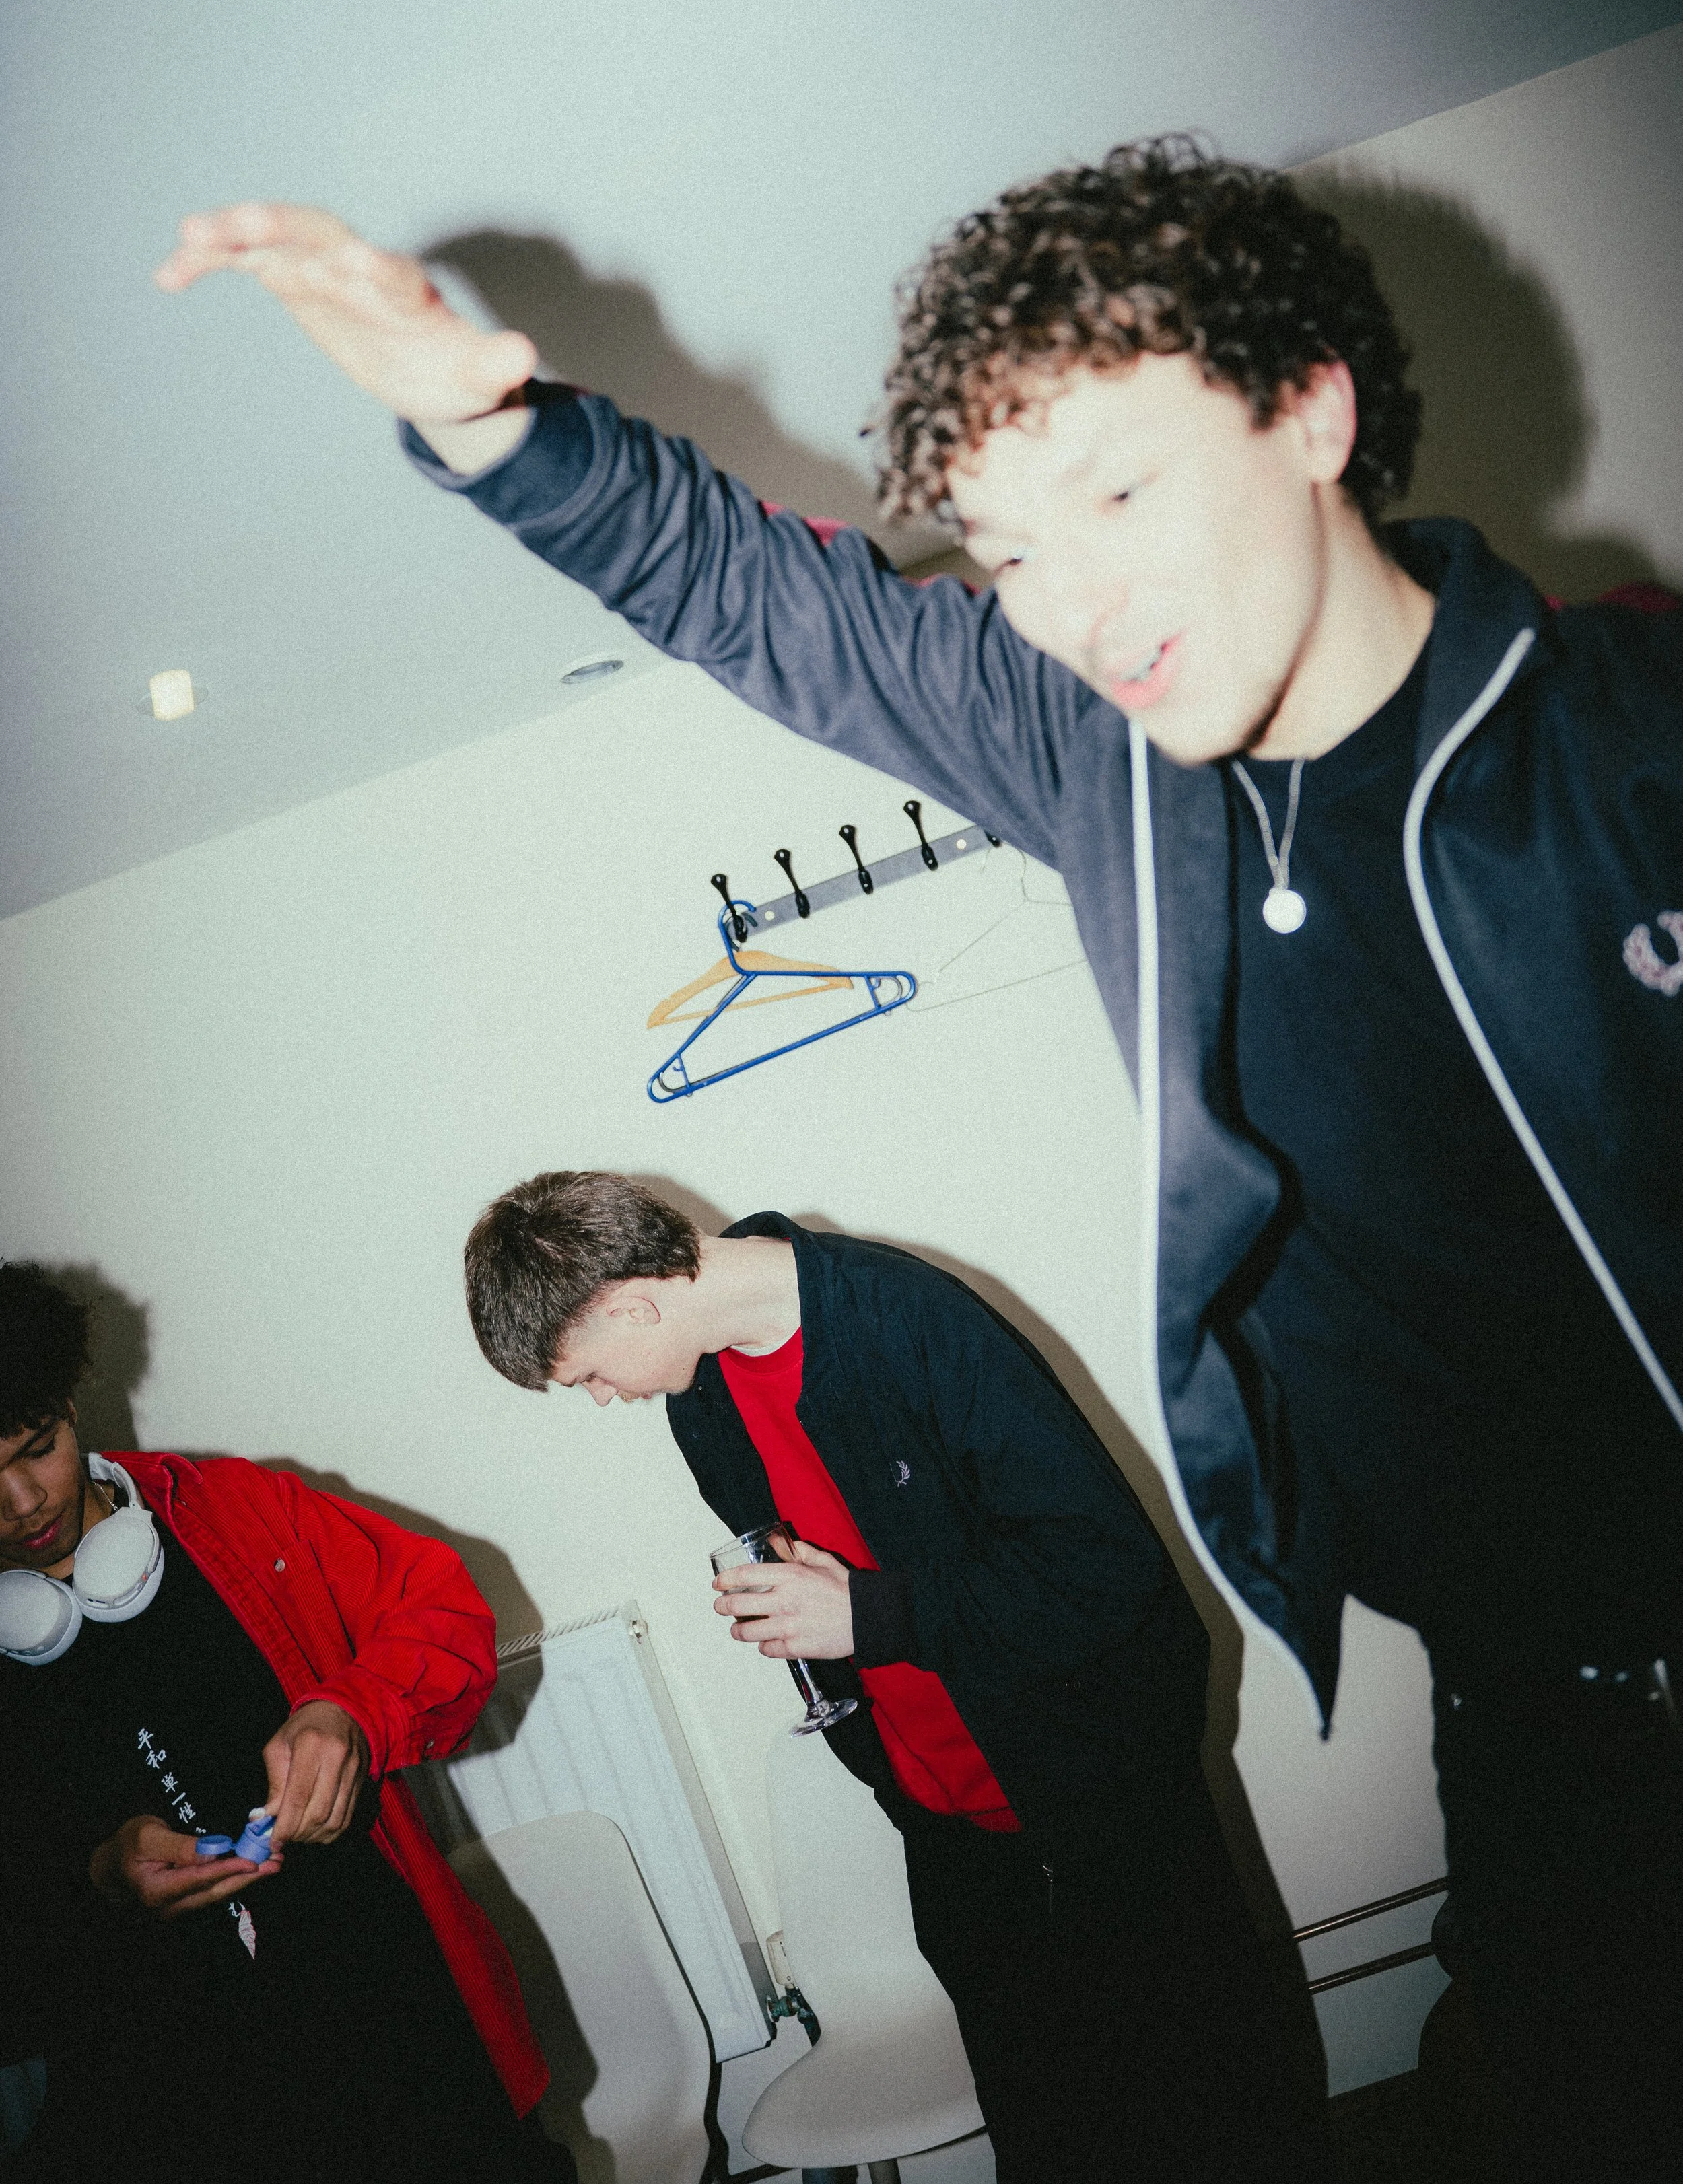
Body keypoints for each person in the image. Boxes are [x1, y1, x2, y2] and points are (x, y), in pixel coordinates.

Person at [157, 145, 1683, 2177]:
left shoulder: (1633, 727)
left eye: (1115, 494)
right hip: (1537, 1713)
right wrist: (492, 428)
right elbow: (762, 595)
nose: (1074, 607)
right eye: (1007, 547)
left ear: (1310, 410)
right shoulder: (1108, 772)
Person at [463, 1168, 1321, 2182]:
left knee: (1224, 2123)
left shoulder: (912, 1319)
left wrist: (867, 1613)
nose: (606, 1398)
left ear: (633, 1304)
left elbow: (1109, 1573)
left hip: (1105, 1802)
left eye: (589, 1375)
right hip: (950, 1836)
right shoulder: (704, 1403)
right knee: (1053, 2143)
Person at [0, 1261, 574, 2184]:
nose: (23, 1501)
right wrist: (100, 1877)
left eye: (37, 1448)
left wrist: (353, 1710)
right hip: (176, 2104)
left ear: (71, 1407)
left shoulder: (228, 1509)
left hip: (401, 2031)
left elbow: (444, 1611)